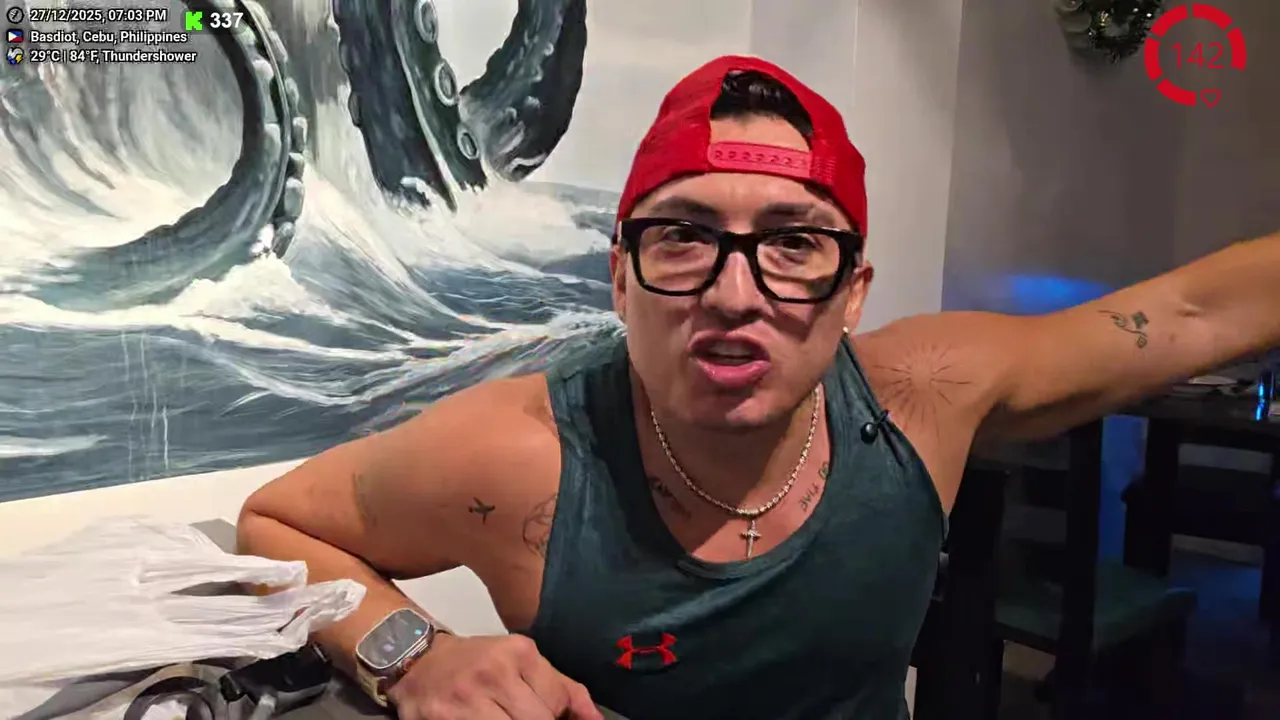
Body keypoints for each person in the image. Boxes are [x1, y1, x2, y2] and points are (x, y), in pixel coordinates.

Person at [236, 54, 1280, 720]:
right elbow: (276, 522)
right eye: (685, 238)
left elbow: (1192, 314)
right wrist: (414, 655)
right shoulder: (522, 455)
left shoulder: (921, 399)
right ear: (620, 277)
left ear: (853, 291)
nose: (735, 295)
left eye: (792, 243)